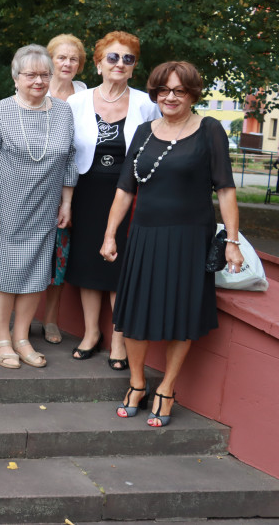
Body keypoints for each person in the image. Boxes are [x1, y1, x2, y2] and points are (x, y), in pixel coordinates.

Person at [102, 61, 241, 427]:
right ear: (155, 93)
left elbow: (225, 189)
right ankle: (136, 383)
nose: (170, 97)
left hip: (189, 238)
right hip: (144, 235)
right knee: (133, 314)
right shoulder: (144, 132)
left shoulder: (209, 130)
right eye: (163, 90)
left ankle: (167, 387)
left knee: (180, 315)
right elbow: (124, 188)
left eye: (179, 90)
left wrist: (233, 241)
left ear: (193, 93)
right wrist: (110, 233)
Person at [0, 44, 77, 370]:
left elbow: (70, 159)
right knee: (5, 273)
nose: (38, 81)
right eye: (30, 74)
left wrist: (67, 202)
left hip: (46, 208)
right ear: (16, 77)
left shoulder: (62, 112)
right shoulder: (1, 112)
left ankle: (22, 338)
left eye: (45, 74)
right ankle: (1, 339)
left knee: (35, 274)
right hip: (7, 205)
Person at [66, 31, 159, 368]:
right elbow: (65, 153)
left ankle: (118, 339)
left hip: (130, 195)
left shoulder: (147, 104)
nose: (120, 64)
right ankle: (92, 333)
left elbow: (156, 149)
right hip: (86, 190)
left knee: (121, 265)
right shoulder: (76, 103)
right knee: (88, 262)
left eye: (128, 59)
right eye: (113, 57)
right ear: (98, 63)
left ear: (134, 68)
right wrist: (65, 201)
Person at [40, 33, 88, 345]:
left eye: (73, 58)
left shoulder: (85, 95)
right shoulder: (35, 87)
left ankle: (50, 319)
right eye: (61, 57)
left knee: (59, 253)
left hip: (69, 183)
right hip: (32, 183)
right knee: (26, 250)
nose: (67, 63)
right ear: (50, 60)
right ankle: (18, 317)